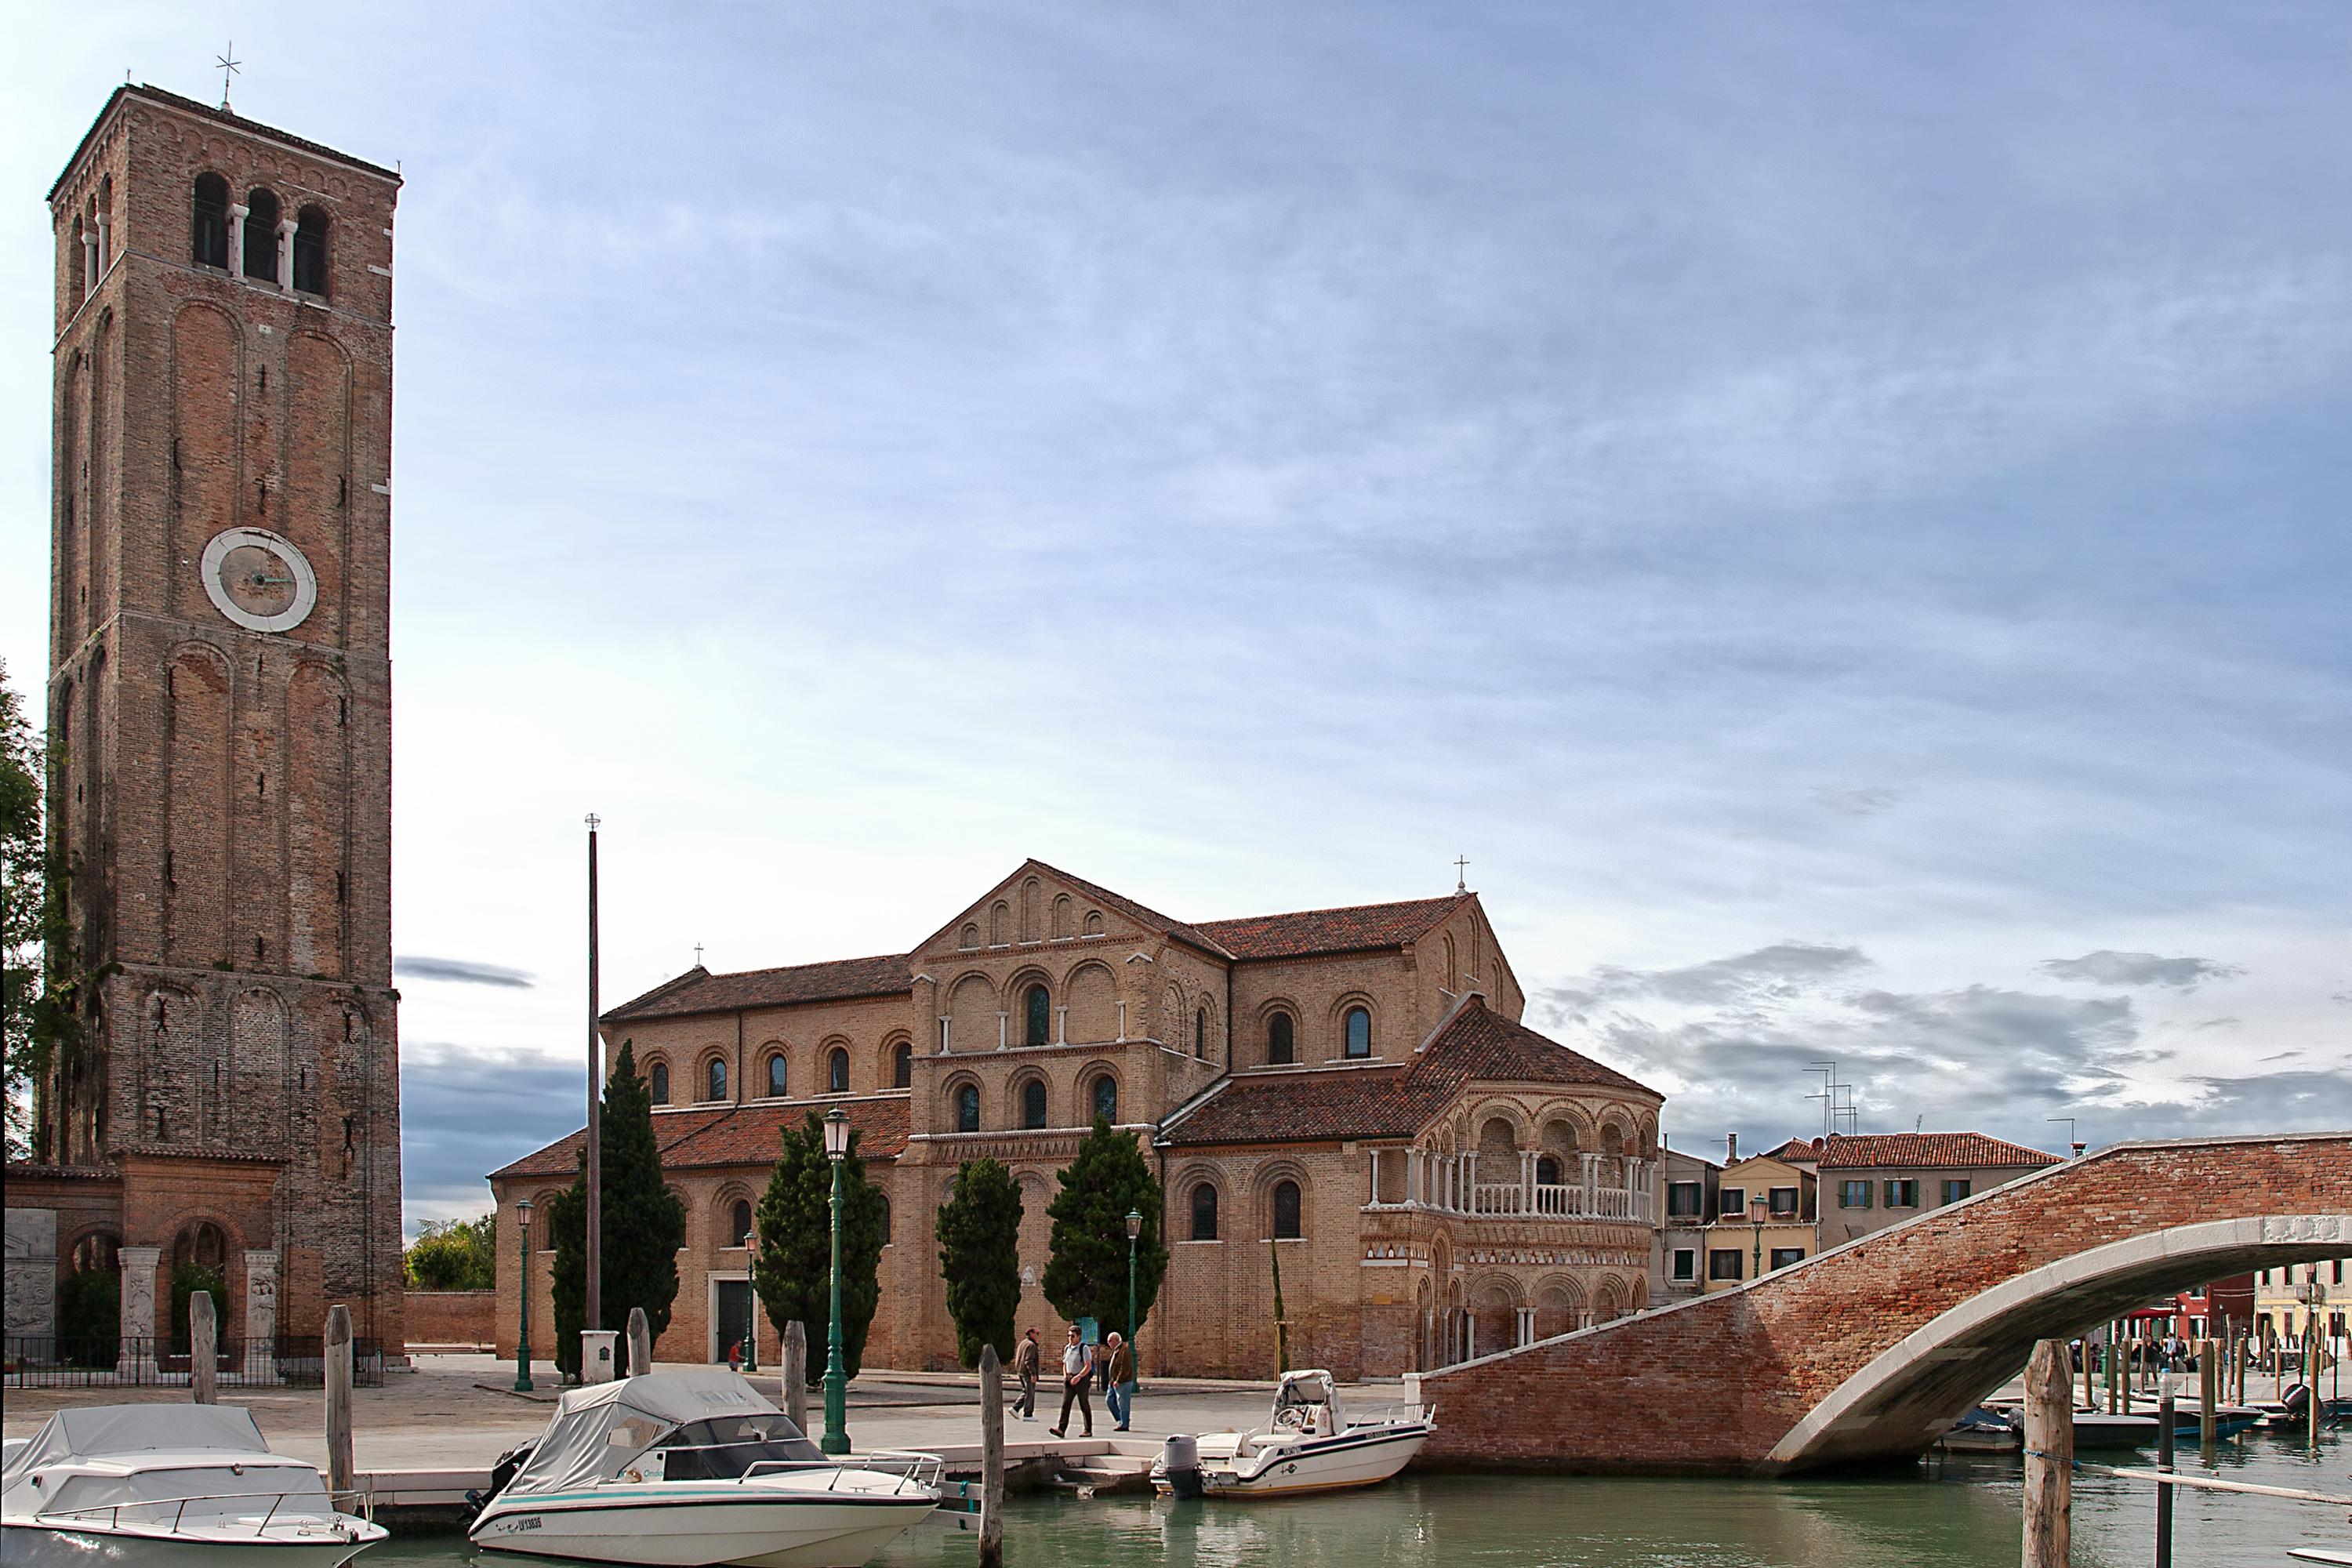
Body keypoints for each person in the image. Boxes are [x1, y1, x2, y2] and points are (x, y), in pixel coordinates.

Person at [1049, 1324, 1095, 1438]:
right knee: (1066, 1404)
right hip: (1069, 1378)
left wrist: (1079, 1376)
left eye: (1073, 1336)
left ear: (1079, 1336)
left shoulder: (1084, 1348)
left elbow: (1088, 1365)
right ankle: (1061, 1429)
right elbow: (1065, 1363)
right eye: (1069, 1336)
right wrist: (1065, 1376)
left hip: (1081, 1379)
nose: (1070, 1338)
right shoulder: (1067, 1348)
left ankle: (1088, 1429)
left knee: (1083, 1403)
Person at [1103, 1330, 1134, 1432]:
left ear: (1116, 1340)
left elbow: (1125, 1367)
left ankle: (1124, 1424)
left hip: (1123, 1382)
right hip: (1113, 1381)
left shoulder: (1124, 1350)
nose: (1108, 1343)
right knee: (1109, 1400)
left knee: (1123, 1403)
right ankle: (1121, 1419)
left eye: (1110, 1341)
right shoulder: (1115, 1350)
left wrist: (1118, 1380)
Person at [1012, 1327, 1041, 1421]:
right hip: (1027, 1372)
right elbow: (1029, 1360)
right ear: (1031, 1333)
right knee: (1030, 1392)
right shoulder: (1031, 1345)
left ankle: (1015, 1408)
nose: (1038, 1336)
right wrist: (1033, 1374)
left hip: (1021, 1371)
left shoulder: (1023, 1343)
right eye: (1037, 1333)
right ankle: (1028, 1414)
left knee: (1026, 1391)